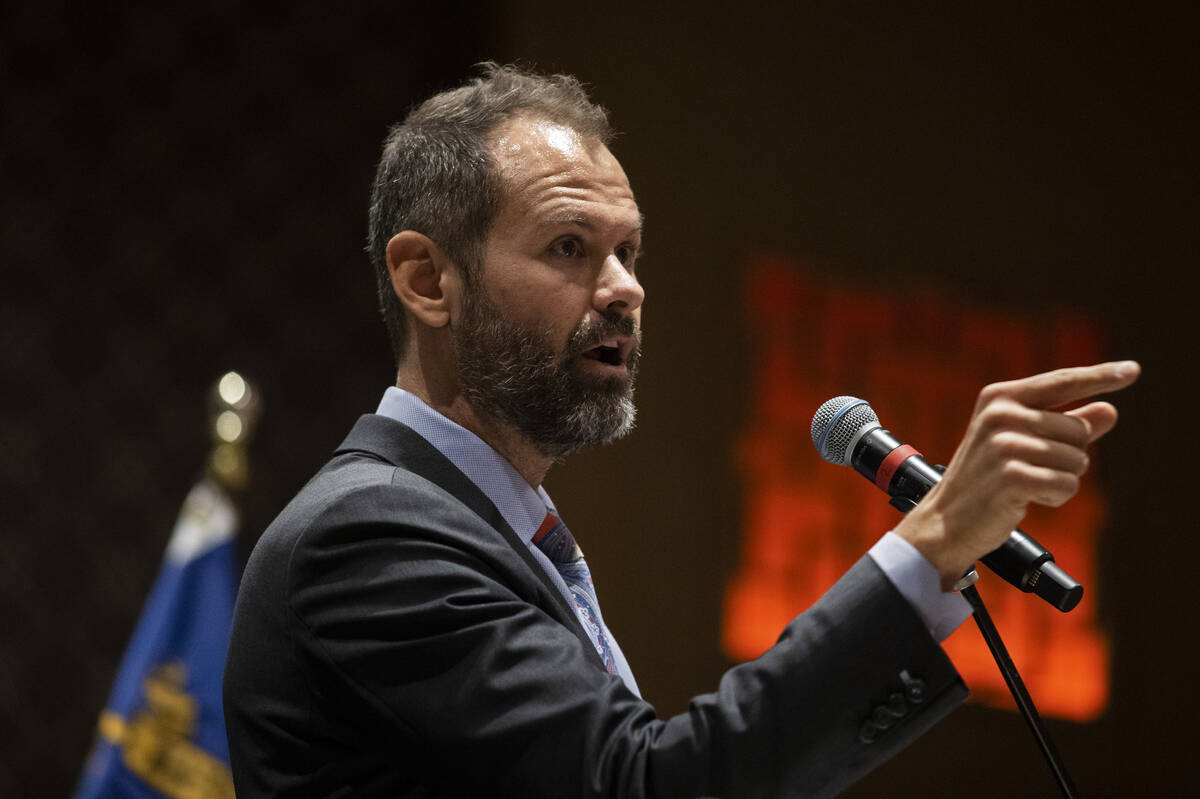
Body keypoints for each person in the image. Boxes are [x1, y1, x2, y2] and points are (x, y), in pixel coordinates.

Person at [222, 63, 1139, 798]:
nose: (625, 288)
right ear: (428, 281)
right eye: (570, 248)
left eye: (631, 252)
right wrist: (932, 538)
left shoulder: (492, 529)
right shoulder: (370, 537)